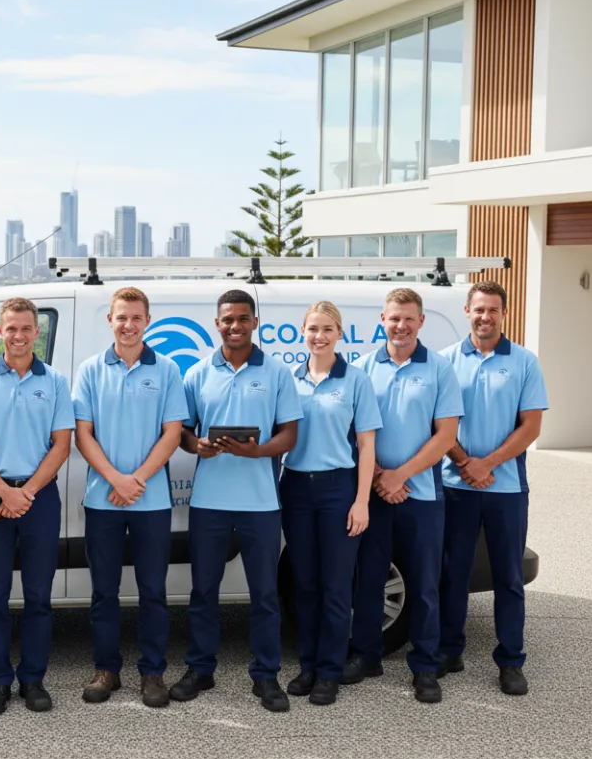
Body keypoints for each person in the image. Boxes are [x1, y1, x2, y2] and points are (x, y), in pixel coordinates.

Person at [172, 289, 302, 713]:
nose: (234, 326)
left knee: (264, 594)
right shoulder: (197, 374)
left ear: (254, 322)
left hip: (261, 502)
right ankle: (200, 669)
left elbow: (289, 435)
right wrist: (199, 446)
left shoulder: (278, 373)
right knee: (203, 591)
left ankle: (266, 676)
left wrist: (256, 451)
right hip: (209, 500)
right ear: (217, 324)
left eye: (242, 319)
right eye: (227, 319)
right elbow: (183, 433)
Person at [0, 297, 75, 715]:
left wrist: (25, 493)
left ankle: (33, 680)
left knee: (39, 596)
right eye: (12, 328)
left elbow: (63, 445)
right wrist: (5, 491)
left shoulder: (56, 382)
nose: (19, 336)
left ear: (36, 332)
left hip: (39, 500)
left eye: (26, 328)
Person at [71, 287, 189, 709]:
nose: (129, 324)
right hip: (102, 500)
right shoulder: (89, 370)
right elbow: (83, 434)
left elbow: (173, 433)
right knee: (104, 591)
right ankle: (106, 670)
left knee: (152, 590)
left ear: (148, 321)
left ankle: (152, 673)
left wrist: (135, 479)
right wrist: (114, 480)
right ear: (110, 320)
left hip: (151, 499)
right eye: (122, 317)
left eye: (137, 317)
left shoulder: (168, 370)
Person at [347, 287, 463, 704]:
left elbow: (446, 435)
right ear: (382, 319)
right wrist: (381, 476)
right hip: (373, 492)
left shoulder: (438, 369)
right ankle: (366, 655)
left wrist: (400, 475)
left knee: (425, 583)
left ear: (421, 322)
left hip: (422, 493)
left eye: (409, 318)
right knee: (370, 579)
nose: (401, 325)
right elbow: (353, 432)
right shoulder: (362, 368)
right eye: (394, 318)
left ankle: (426, 665)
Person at [438, 281, 547, 696]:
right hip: (456, 486)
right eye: (479, 309)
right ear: (467, 310)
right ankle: (450, 650)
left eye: (494, 310)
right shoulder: (445, 361)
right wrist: (467, 463)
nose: (486, 317)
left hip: (506, 490)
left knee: (508, 577)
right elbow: (439, 426)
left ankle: (511, 660)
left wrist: (488, 464)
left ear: (504, 314)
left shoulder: (523, 362)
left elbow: (531, 426)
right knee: (453, 574)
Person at [279, 301, 381, 706]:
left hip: (340, 488)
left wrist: (361, 501)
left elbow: (367, 444)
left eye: (327, 329)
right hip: (297, 488)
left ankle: (329, 671)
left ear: (339, 333)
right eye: (312, 329)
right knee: (304, 584)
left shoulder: (355, 380)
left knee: (337, 586)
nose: (319, 336)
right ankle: (308, 665)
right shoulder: (290, 379)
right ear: (301, 333)